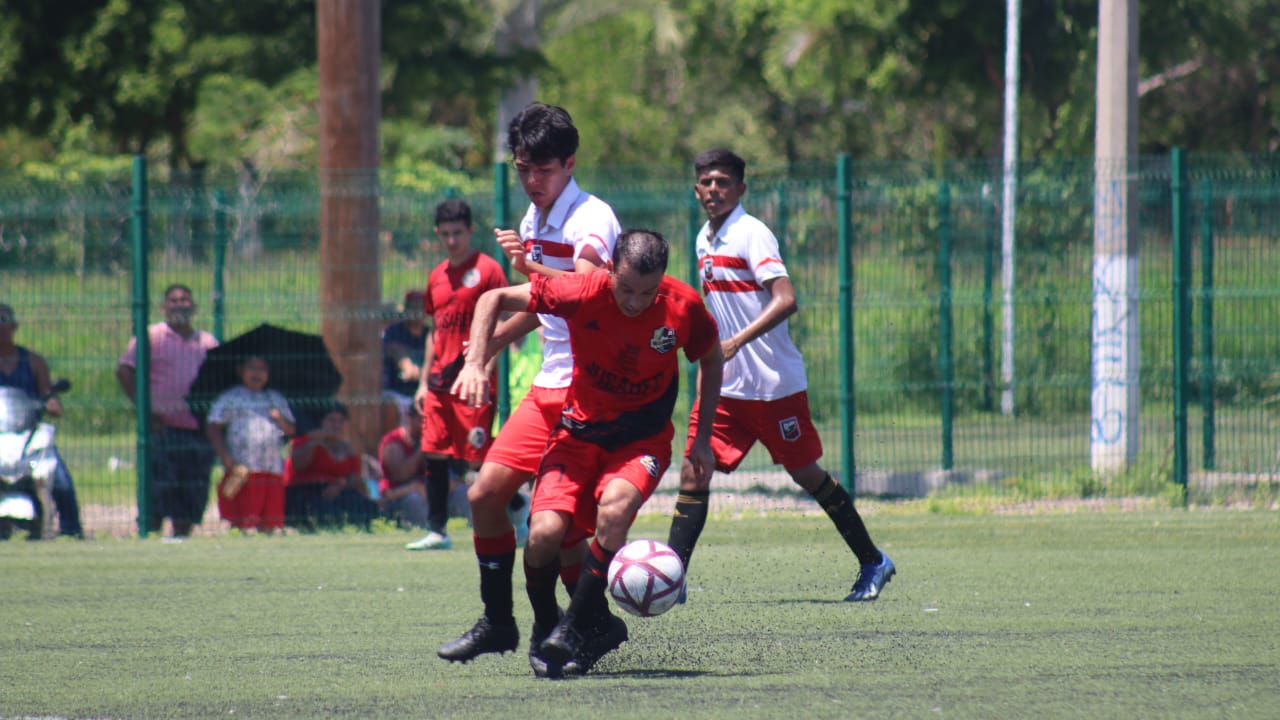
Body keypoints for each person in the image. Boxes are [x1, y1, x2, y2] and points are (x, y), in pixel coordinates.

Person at [452, 229, 724, 677]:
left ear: (662, 280)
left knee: (614, 511)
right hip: (577, 436)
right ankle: (547, 626)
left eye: (647, 291)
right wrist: (475, 363)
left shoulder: (683, 305)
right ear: (610, 270)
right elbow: (492, 298)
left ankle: (575, 627)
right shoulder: (581, 290)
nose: (636, 301)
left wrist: (701, 437)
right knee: (543, 536)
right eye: (626, 288)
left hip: (641, 441)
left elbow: (712, 359)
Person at [437, 102, 621, 665]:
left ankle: (584, 624)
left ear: (570, 163)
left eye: (543, 170)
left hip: (591, 393)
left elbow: (584, 290)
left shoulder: (591, 219)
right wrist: (484, 350)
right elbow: (545, 309)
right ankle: (500, 621)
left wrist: (527, 272)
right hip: (548, 387)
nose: (532, 181)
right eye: (523, 169)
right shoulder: (531, 222)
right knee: (484, 495)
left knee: (556, 528)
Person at [666, 149, 895, 602]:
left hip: (774, 387)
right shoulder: (703, 240)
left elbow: (786, 298)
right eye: (707, 182)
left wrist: (736, 342)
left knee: (806, 474)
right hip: (726, 388)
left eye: (723, 182)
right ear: (696, 190)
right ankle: (671, 580)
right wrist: (713, 354)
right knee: (694, 469)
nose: (714, 189)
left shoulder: (752, 234)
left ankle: (874, 561)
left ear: (741, 189)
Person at [404, 199, 508, 551]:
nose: (451, 241)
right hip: (439, 382)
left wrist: (485, 368)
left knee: (476, 460)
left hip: (473, 379)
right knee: (433, 451)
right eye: (445, 234)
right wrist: (421, 382)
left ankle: (517, 511)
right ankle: (438, 531)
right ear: (438, 234)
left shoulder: (489, 270)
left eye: (457, 234)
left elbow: (503, 323)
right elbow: (436, 330)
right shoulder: (435, 276)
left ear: (470, 231)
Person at [116, 284, 220, 538]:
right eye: (174, 300)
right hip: (163, 429)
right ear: (164, 307)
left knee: (191, 493)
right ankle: (150, 540)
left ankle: (180, 541)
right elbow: (125, 371)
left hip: (197, 431)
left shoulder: (206, 342)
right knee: (159, 491)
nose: (180, 304)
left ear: (193, 306)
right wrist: (146, 413)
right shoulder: (151, 337)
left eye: (185, 300)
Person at [0, 303, 83, 539]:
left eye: (4, 321)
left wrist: (50, 403)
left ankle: (71, 529)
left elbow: (49, 395)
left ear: (14, 326)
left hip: (27, 433)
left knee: (60, 480)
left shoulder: (33, 362)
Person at [205, 355, 296, 534]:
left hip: (271, 467)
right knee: (244, 517)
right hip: (244, 467)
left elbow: (291, 430)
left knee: (270, 520)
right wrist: (224, 455)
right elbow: (213, 426)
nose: (257, 374)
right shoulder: (231, 397)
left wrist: (279, 419)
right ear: (241, 370)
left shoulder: (274, 398)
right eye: (252, 368)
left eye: (262, 369)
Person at [283, 404, 379, 532]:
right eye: (332, 420)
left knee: (367, 508)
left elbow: (355, 479)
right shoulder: (304, 442)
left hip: (337, 490)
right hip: (306, 491)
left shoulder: (347, 447)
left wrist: (340, 486)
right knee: (331, 515)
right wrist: (313, 442)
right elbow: (297, 466)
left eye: (341, 421)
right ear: (321, 422)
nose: (336, 425)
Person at [376, 400, 431, 531]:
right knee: (414, 498)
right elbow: (401, 475)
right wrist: (422, 448)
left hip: (428, 492)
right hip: (396, 497)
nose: (426, 425)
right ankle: (424, 532)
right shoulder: (393, 443)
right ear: (409, 418)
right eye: (422, 420)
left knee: (462, 492)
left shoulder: (434, 438)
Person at [380, 290, 429, 436]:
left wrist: (420, 375)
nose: (415, 311)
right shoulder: (394, 331)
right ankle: (391, 447)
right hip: (397, 391)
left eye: (419, 307)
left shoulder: (429, 334)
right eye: (411, 307)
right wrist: (407, 366)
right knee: (389, 405)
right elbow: (396, 352)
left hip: (422, 391)